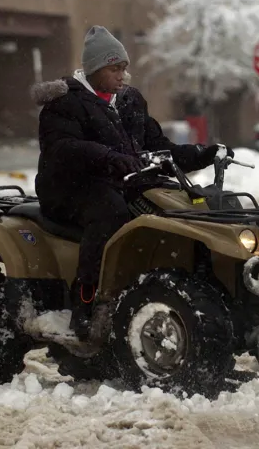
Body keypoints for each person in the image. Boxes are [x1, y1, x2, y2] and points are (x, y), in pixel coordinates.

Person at [30, 26, 233, 339]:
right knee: (110, 213)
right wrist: (108, 156)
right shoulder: (64, 103)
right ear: (95, 69)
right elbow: (61, 149)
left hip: (125, 181)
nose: (122, 76)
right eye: (115, 69)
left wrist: (203, 154)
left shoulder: (130, 101)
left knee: (184, 208)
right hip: (71, 189)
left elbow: (159, 146)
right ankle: (86, 303)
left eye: (124, 68)